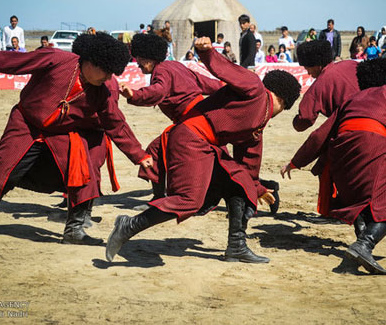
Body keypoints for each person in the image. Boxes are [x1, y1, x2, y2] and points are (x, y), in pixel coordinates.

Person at [105, 36, 301, 264]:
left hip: (204, 143)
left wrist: (256, 189)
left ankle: (236, 246)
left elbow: (249, 164)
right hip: (190, 137)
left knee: (240, 183)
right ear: (285, 103)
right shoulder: (255, 87)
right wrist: (206, 53)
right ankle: (129, 225)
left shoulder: (258, 126)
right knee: (189, 199)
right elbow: (224, 72)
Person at [0, 32, 152, 245]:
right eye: (106, 72)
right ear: (90, 61)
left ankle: (74, 231)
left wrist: (139, 155)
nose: (108, 78)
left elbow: (116, 124)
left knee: (84, 171)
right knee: (2, 171)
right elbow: (16, 62)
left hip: (61, 133)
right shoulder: (57, 59)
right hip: (26, 122)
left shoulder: (103, 92)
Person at [282, 58, 386, 274]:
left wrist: (295, 162)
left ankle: (357, 251)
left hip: (340, 153)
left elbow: (319, 135)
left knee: (359, 200)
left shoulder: (350, 100)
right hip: (371, 143)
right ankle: (364, 245)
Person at [292, 40, 386, 226]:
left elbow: (304, 120)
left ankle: (338, 212)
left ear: (317, 64)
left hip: (349, 131)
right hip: (380, 121)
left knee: (332, 166)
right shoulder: (352, 64)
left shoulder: (318, 86)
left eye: (308, 68)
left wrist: (295, 121)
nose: (307, 72)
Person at [119, 33, 223, 203]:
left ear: (148, 59)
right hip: (204, 121)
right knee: (223, 162)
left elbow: (158, 91)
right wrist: (225, 87)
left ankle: (158, 199)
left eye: (139, 60)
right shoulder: (175, 65)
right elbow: (205, 82)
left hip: (190, 125)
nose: (137, 64)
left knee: (154, 151)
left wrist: (134, 94)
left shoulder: (161, 72)